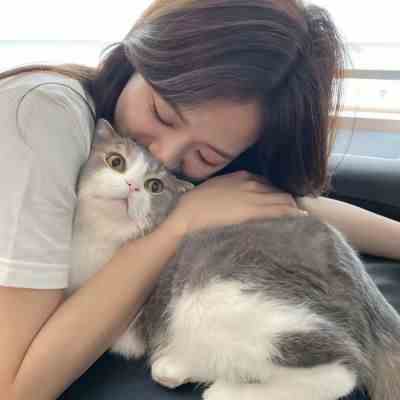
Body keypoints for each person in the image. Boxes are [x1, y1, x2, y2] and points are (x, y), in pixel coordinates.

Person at [0, 1, 399, 399]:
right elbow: (14, 387)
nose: (164, 156)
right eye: (162, 114)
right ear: (140, 53)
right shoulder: (41, 116)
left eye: (206, 157)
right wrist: (179, 225)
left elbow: (270, 200)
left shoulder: (174, 159)